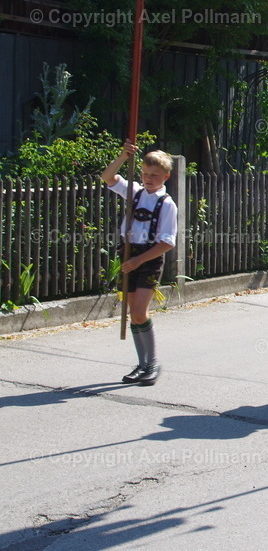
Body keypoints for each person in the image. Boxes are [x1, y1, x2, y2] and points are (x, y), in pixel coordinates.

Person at [101, 141, 178, 386]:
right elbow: (108, 177)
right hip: (128, 255)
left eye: (154, 175)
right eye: (145, 174)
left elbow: (167, 243)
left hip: (148, 258)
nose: (148, 179)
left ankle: (152, 363)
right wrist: (124, 156)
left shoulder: (166, 204)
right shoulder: (134, 192)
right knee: (132, 313)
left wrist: (138, 260)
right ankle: (142, 364)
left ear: (166, 176)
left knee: (139, 312)